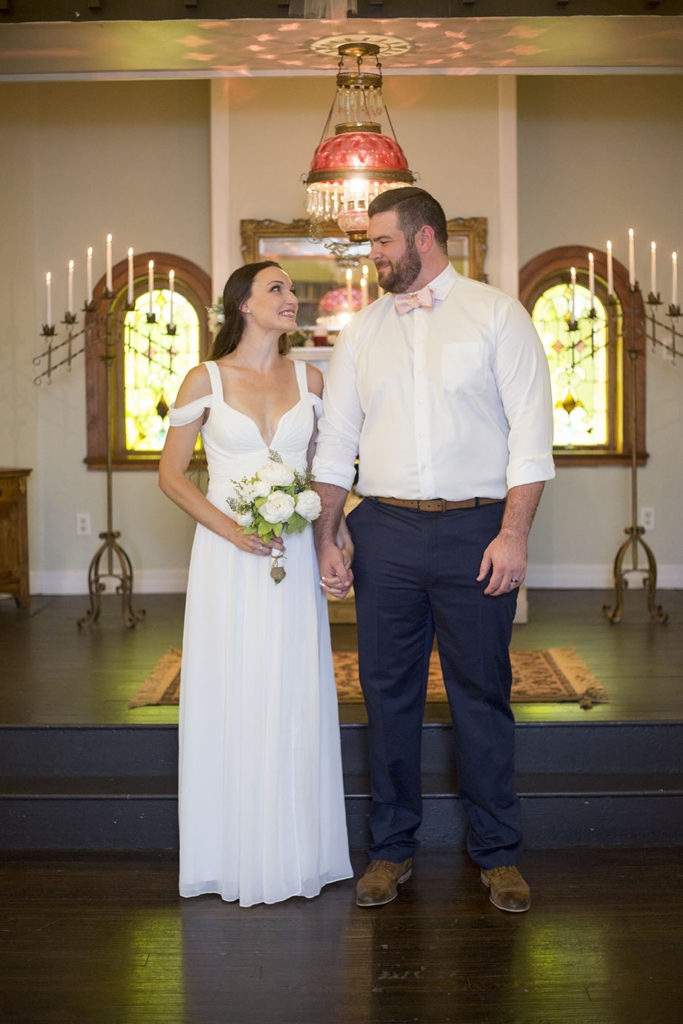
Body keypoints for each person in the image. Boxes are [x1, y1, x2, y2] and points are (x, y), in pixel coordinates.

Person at [312, 188, 555, 913]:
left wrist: (512, 534)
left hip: (477, 531)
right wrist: (328, 533)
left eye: (381, 242)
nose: (372, 255)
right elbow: (335, 445)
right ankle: (389, 851)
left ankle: (498, 855)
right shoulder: (360, 332)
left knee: (481, 693)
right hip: (382, 529)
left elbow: (530, 439)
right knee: (385, 695)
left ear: (422, 239)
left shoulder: (495, 316)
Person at [159, 261, 353, 907]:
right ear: (242, 304)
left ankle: (299, 850)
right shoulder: (205, 379)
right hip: (227, 558)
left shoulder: (311, 378)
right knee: (232, 686)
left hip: (293, 557)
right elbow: (171, 475)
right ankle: (232, 852)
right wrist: (231, 530)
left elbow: (330, 470)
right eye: (277, 289)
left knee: (293, 687)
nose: (291, 298)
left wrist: (334, 540)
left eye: (292, 290)